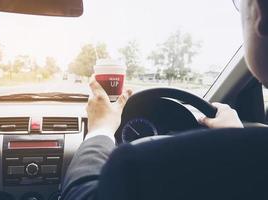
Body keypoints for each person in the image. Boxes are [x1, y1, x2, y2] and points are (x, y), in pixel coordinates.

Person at [61, 0, 268, 199]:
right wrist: (233, 139)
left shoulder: (135, 168)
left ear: (259, 14)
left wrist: (100, 129)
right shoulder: (256, 160)